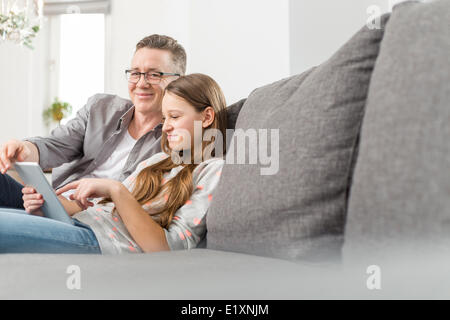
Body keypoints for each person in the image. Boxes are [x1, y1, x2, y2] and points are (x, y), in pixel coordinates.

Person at [0, 73, 227, 254]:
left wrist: (115, 188)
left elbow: (167, 248)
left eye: (175, 117)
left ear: (206, 117)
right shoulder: (157, 161)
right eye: (165, 118)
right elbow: (101, 209)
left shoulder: (213, 170)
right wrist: (43, 208)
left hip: (98, 239)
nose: (165, 127)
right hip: (79, 223)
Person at [0, 34, 186, 210]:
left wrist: (73, 209)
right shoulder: (101, 108)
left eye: (155, 75)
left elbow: (147, 205)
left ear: (180, 81)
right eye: (135, 73)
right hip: (49, 205)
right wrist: (25, 149)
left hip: (91, 223)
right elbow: (55, 145)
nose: (141, 83)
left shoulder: (179, 139)